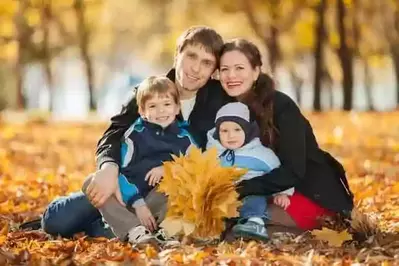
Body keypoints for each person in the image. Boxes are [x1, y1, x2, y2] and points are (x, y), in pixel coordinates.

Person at [34, 26, 230, 238]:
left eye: (207, 63)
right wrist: (109, 167)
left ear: (214, 71)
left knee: (109, 231)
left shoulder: (218, 102)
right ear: (177, 55)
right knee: (58, 222)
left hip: (165, 195)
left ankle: (107, 223)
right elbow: (115, 132)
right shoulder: (149, 92)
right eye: (191, 56)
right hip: (128, 181)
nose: (196, 68)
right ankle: (84, 209)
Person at [82, 76, 196, 244]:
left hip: (161, 203)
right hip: (129, 202)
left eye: (166, 104)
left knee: (179, 184)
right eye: (153, 106)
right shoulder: (133, 137)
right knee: (91, 182)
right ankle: (135, 231)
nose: (161, 111)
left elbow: (195, 166)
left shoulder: (185, 138)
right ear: (142, 112)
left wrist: (169, 169)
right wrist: (137, 203)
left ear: (177, 108)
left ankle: (168, 233)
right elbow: (119, 173)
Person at [207, 102, 294, 241]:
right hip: (225, 196)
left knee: (254, 198)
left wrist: (283, 193)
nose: (231, 136)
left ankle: (254, 222)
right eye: (224, 131)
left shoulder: (260, 154)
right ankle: (213, 230)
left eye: (237, 130)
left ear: (247, 131)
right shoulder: (214, 154)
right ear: (217, 133)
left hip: (251, 192)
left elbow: (280, 172)